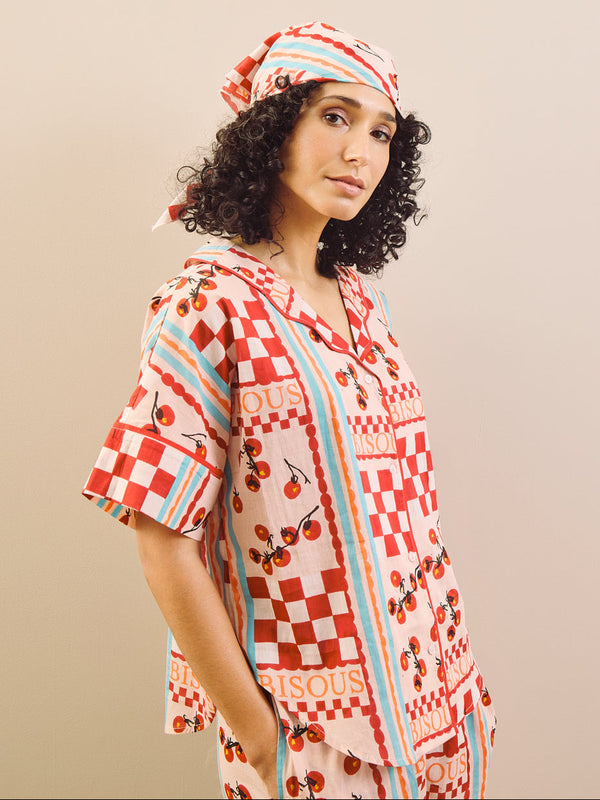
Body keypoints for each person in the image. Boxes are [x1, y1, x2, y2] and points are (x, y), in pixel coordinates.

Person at [82, 21, 496, 800]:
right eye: (334, 117)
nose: (359, 152)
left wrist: (462, 694)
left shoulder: (364, 303)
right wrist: (265, 742)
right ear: (275, 127)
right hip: (317, 733)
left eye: (381, 133)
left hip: (441, 708)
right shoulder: (207, 303)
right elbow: (160, 537)